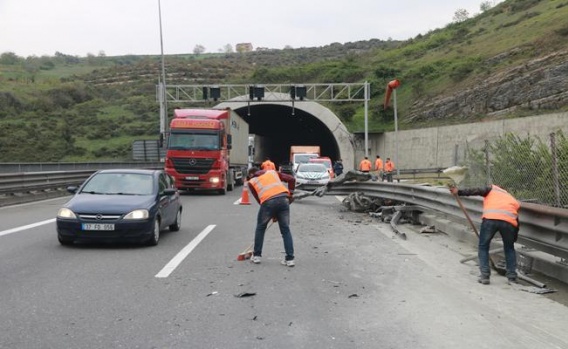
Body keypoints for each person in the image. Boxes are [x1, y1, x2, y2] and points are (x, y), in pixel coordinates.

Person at [449, 184, 520, 285]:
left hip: (490, 220)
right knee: (509, 248)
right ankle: (512, 277)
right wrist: (513, 239)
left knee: (483, 246)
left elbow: (476, 190)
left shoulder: (492, 188)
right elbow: (516, 222)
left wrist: (459, 192)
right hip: (509, 223)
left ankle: (485, 276)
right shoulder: (512, 199)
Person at [247, 167, 296, 267]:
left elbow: (260, 200)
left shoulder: (251, 181)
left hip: (268, 202)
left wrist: (271, 213)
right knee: (285, 230)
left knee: (261, 228)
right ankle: (290, 259)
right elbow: (292, 179)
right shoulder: (272, 172)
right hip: (283, 199)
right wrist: (290, 194)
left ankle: (256, 256)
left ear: (251, 174)